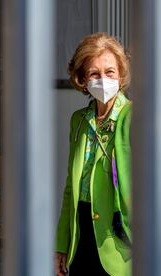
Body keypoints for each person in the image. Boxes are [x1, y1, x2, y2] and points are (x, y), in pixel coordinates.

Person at [55, 33, 133, 276]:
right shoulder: (78, 121)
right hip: (81, 236)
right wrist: (61, 245)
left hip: (121, 240)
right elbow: (71, 186)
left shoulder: (134, 118)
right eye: (94, 73)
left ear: (120, 75)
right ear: (82, 79)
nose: (103, 79)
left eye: (110, 72)